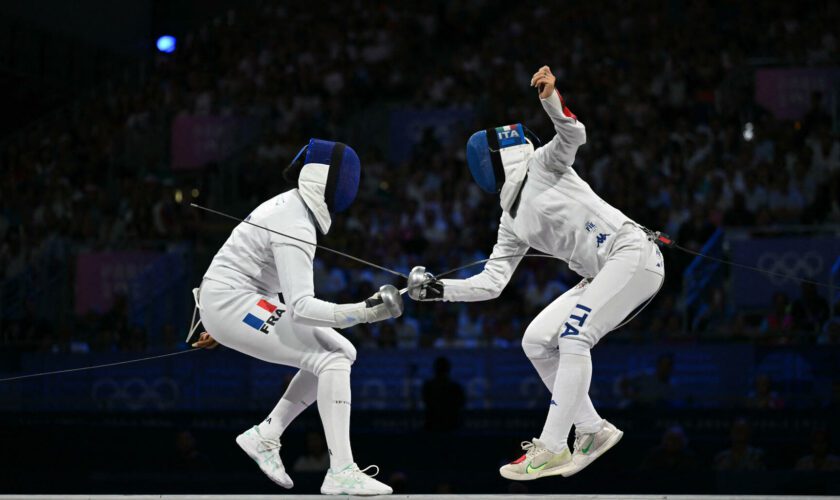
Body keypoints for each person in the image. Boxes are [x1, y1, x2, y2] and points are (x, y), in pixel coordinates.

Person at [409, 65, 665, 480]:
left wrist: (550, 97)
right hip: (601, 276)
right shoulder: (510, 220)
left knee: (574, 334)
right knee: (536, 341)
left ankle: (550, 447)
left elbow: (574, 134)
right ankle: (592, 429)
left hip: (631, 254)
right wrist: (439, 290)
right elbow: (491, 284)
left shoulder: (544, 163)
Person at [190, 139, 399, 495]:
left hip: (236, 303)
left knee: (341, 354)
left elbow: (266, 282)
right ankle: (341, 471)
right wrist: (365, 312)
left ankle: (267, 434)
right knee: (332, 356)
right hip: (230, 302)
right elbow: (302, 308)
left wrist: (225, 323)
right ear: (330, 180)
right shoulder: (295, 223)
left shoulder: (293, 210)